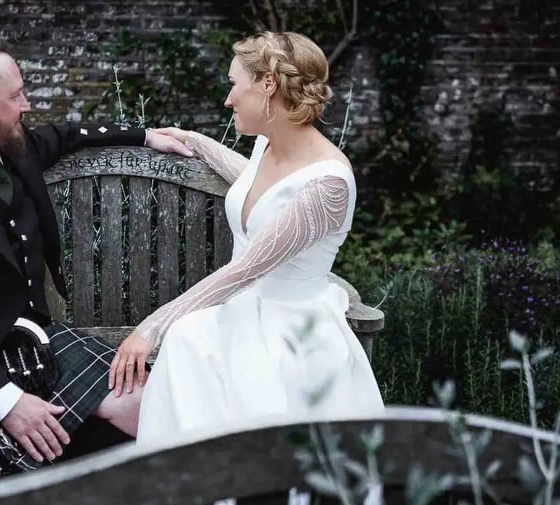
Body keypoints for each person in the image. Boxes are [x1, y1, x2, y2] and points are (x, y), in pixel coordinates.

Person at [0, 34, 191, 490]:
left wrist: (145, 135)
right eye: (16, 94)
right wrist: (7, 402)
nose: (26, 105)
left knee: (156, 406)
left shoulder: (12, 149)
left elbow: (68, 135)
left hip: (34, 337)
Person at [108, 31, 385, 444]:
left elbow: (247, 269)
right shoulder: (269, 146)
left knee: (184, 338)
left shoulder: (328, 183)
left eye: (234, 85)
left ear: (268, 85)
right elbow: (259, 193)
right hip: (244, 310)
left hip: (289, 332)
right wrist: (195, 142)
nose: (228, 99)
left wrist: (152, 328)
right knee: (190, 342)